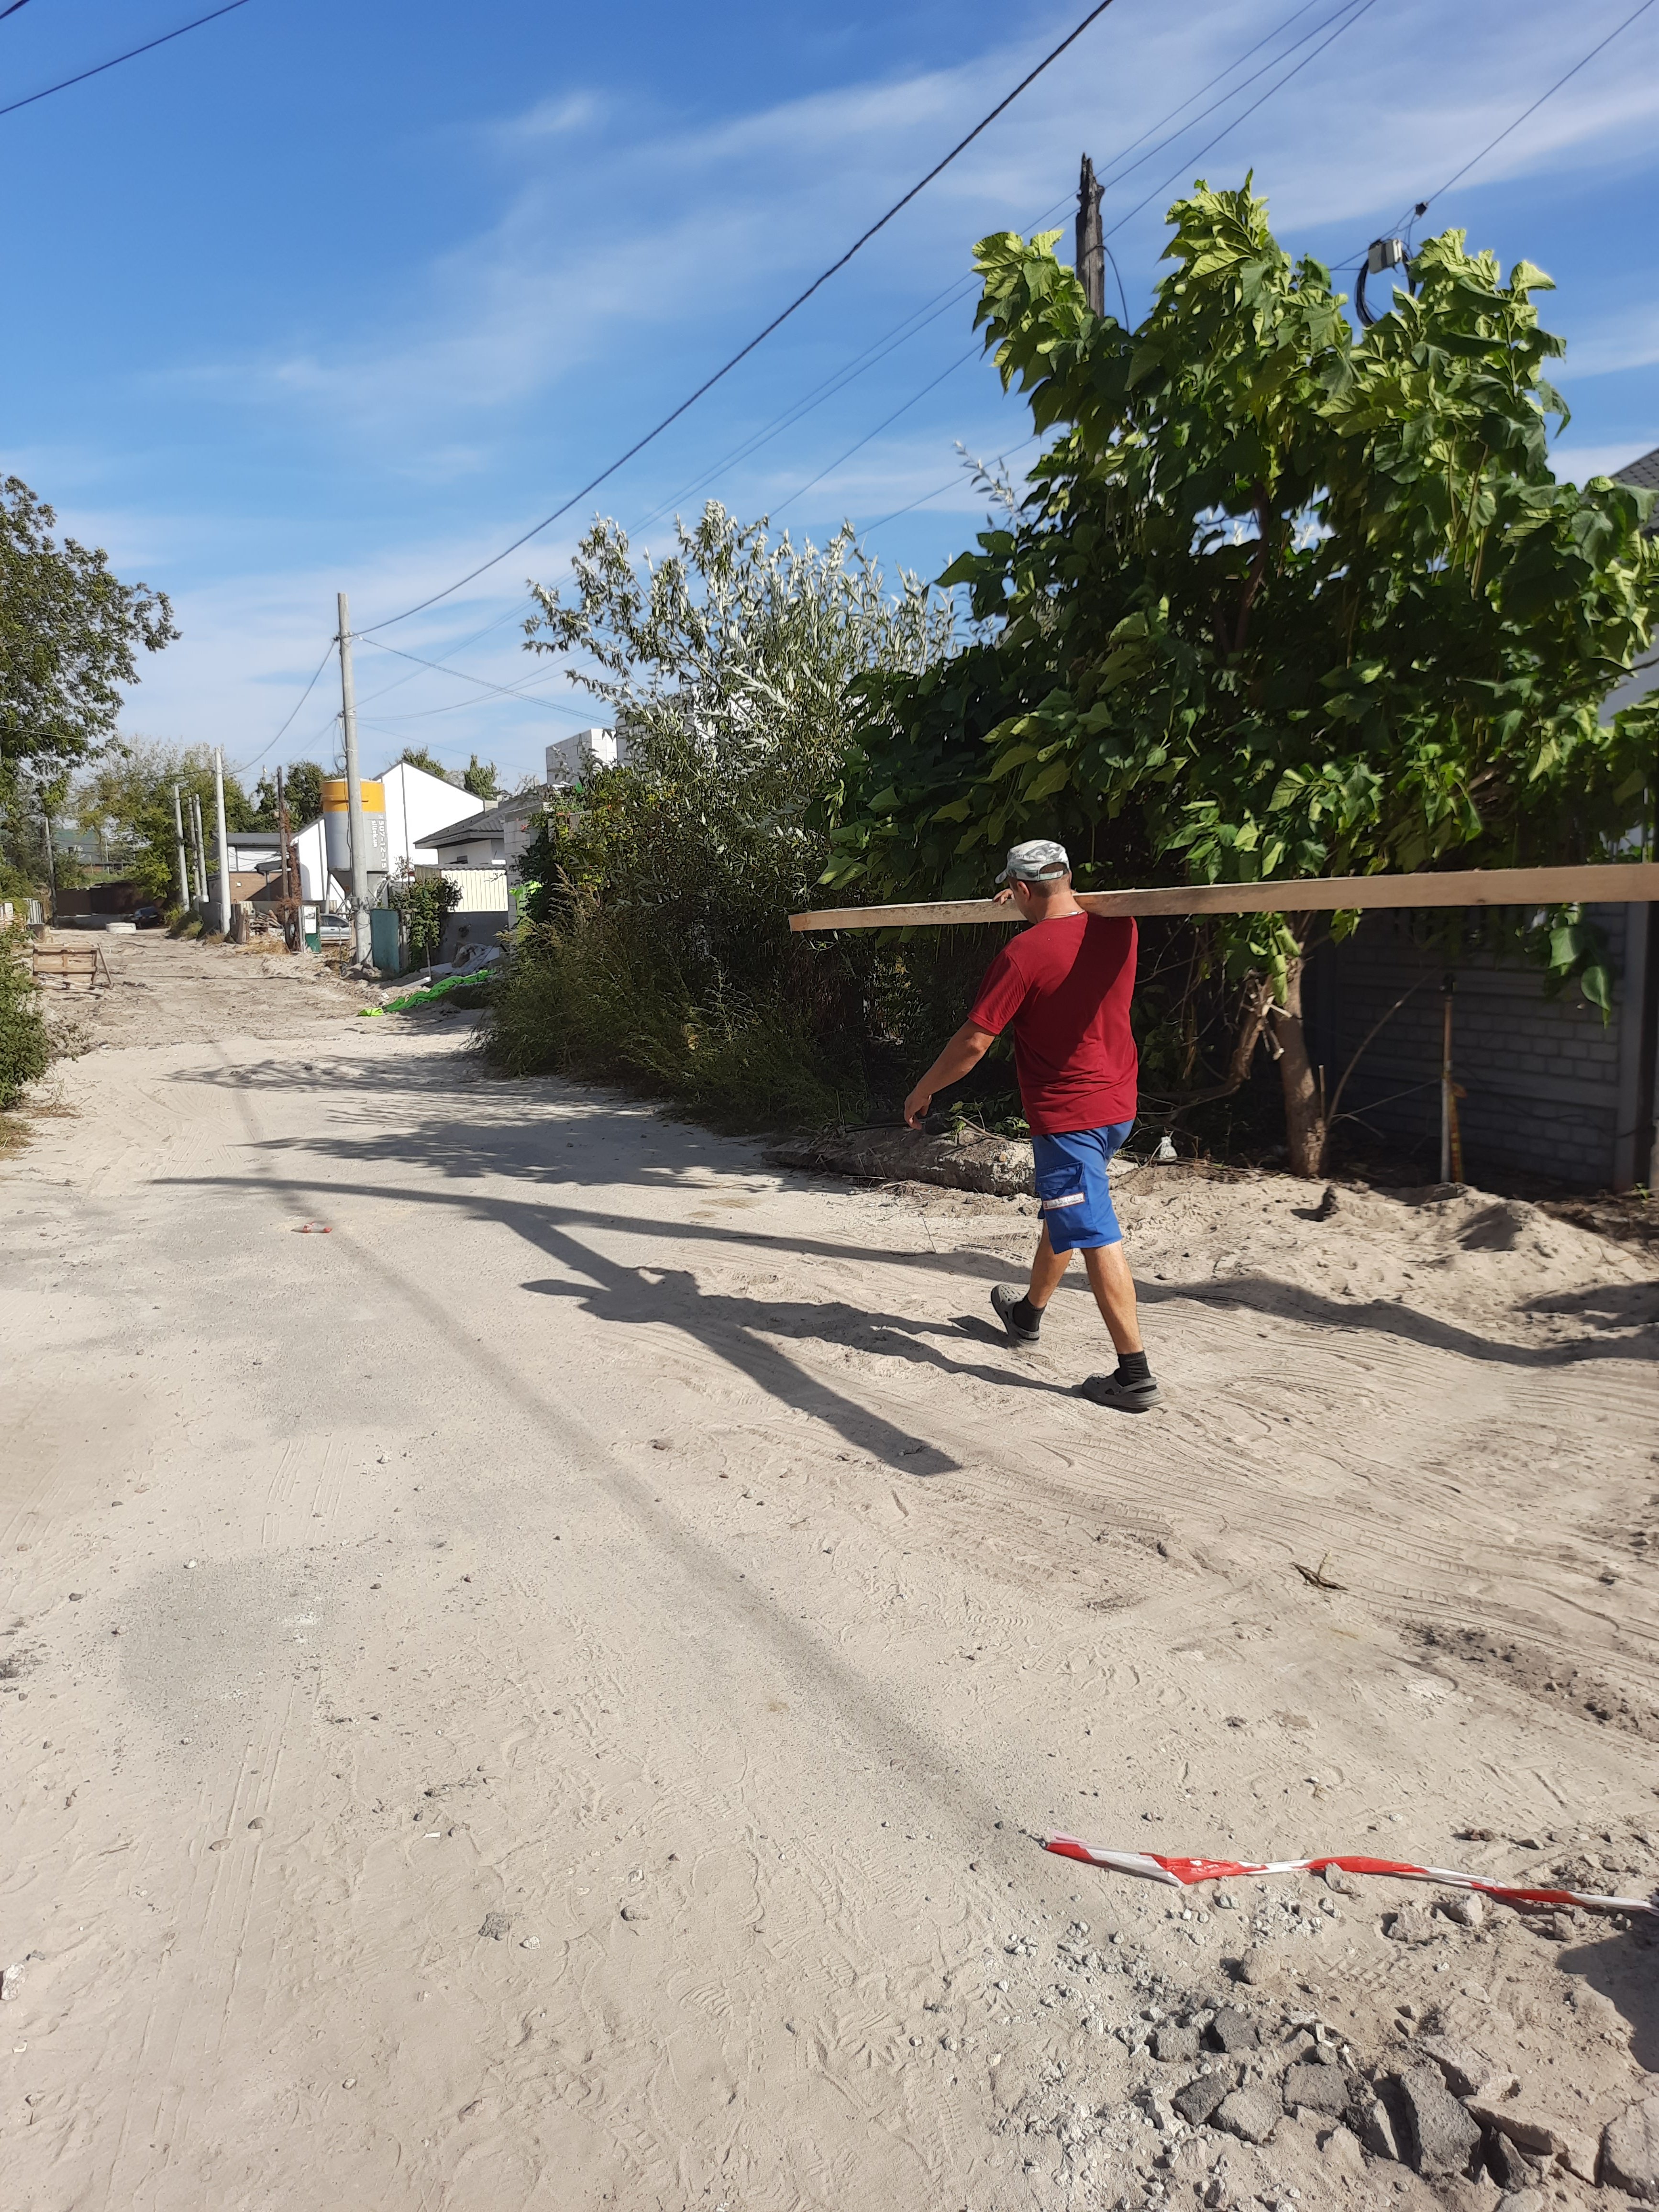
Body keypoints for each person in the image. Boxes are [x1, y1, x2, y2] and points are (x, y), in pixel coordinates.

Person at [901, 838, 1158, 1411]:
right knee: (1069, 1208)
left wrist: (924, 1089)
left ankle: (1134, 1374)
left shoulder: (1023, 956)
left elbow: (973, 1043)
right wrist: (1031, 898)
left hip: (1070, 1118)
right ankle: (1026, 1316)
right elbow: (1068, 914)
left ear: (1019, 890)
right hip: (1118, 1106)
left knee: (1093, 1230)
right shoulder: (1121, 928)